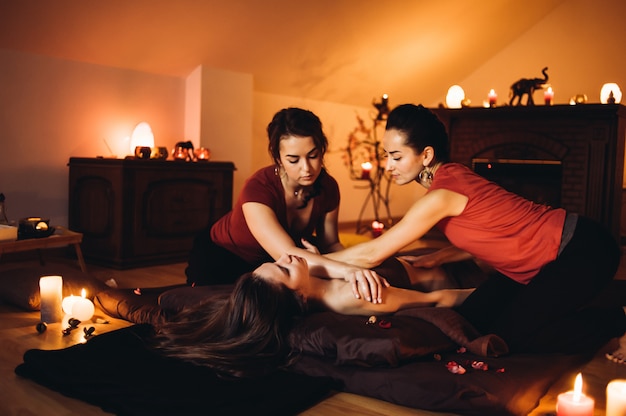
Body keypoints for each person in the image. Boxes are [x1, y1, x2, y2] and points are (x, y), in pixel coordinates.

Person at [325, 103, 626, 355]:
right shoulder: (452, 176)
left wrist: (314, 261)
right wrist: (442, 256)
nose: (388, 166)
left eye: (396, 157)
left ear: (426, 155)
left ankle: (618, 320)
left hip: (581, 250)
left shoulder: (442, 194)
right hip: (539, 264)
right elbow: (489, 226)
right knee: (472, 319)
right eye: (386, 156)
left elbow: (375, 252)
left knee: (512, 339)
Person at [154, 253, 474, 378]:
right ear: (300, 296)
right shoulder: (356, 295)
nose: (286, 256)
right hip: (450, 274)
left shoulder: (304, 272)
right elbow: (439, 298)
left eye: (273, 262)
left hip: (421, 256)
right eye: (283, 267)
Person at [186, 107, 386, 302]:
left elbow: (330, 243)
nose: (306, 168)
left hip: (282, 261)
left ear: (322, 149)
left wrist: (357, 270)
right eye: (293, 160)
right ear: (278, 158)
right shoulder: (257, 188)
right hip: (225, 257)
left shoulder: (328, 187)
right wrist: (347, 270)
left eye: (313, 156)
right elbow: (286, 252)